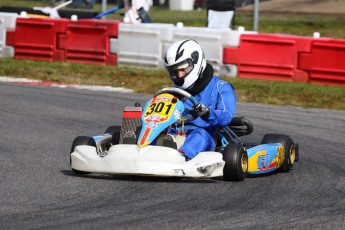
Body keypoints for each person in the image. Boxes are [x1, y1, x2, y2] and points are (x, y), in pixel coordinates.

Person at [162, 39, 237, 160]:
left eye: (182, 69)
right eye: (174, 71)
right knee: (160, 133)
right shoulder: (174, 91)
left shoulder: (221, 88)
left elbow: (226, 116)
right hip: (175, 132)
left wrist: (207, 113)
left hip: (205, 135)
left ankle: (182, 157)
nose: (179, 75)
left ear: (195, 63)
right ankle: (145, 148)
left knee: (198, 136)